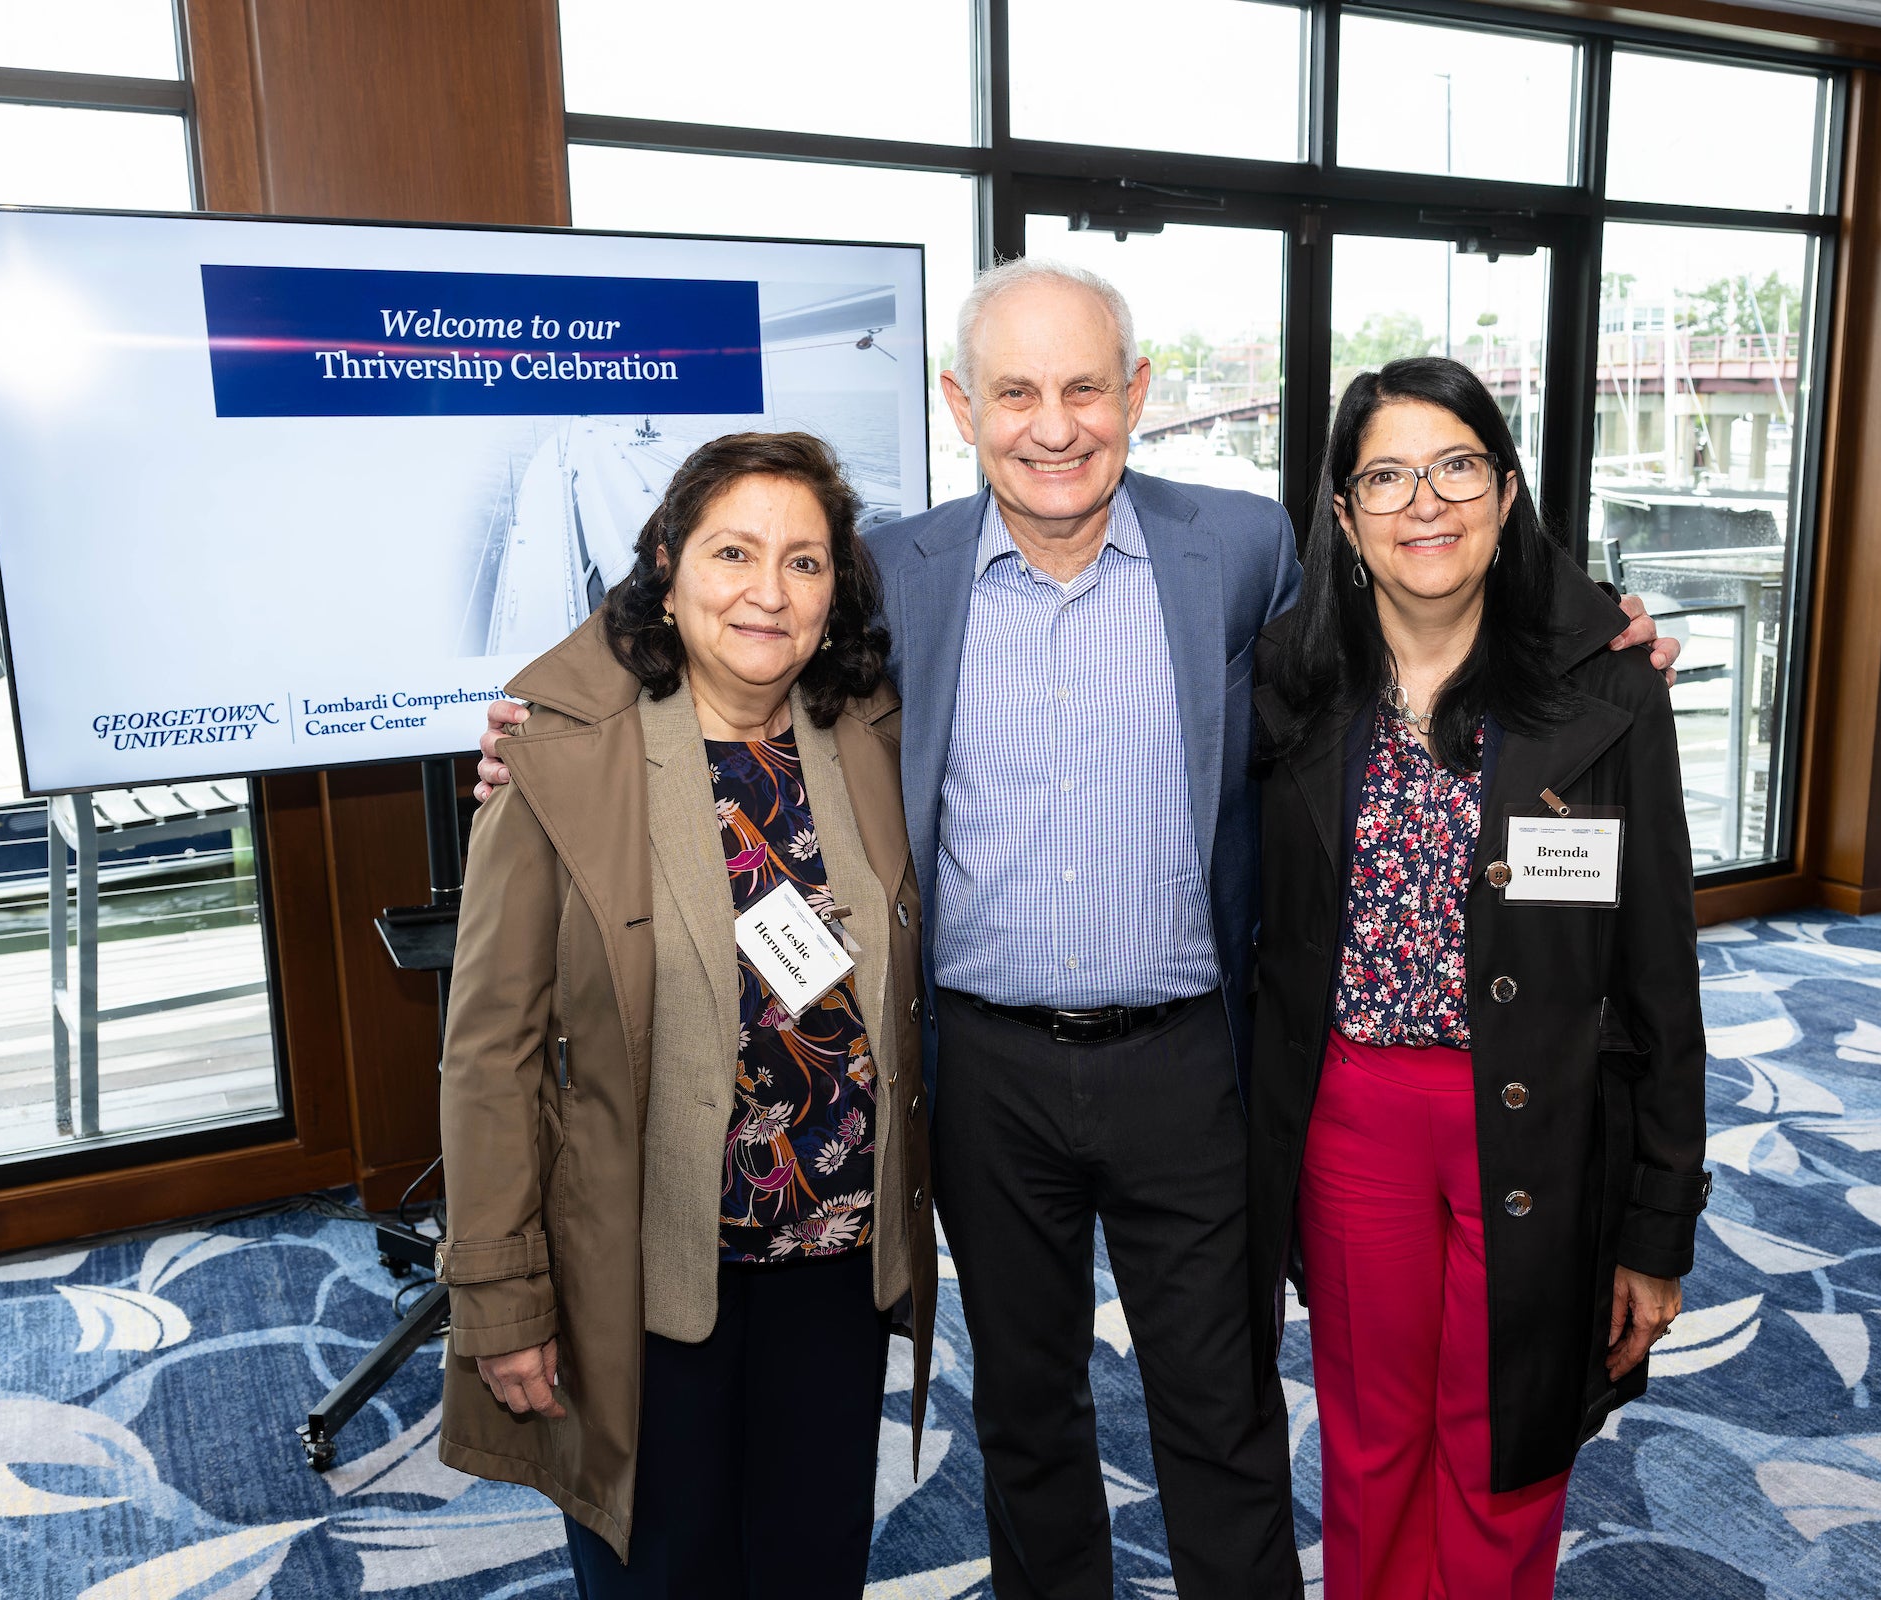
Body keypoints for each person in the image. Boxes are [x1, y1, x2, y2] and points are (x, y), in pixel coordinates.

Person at [476, 260, 1682, 1598]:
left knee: (1219, 1412)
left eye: (1084, 388)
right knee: (1026, 1417)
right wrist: (543, 724)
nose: (1054, 425)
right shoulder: (893, 572)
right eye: (1015, 392)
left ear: (1137, 395)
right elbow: (716, 607)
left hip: (1185, 1063)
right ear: (960, 403)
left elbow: (1411, 607)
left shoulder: (1238, 551)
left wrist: (1596, 635)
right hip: (983, 1072)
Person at [434, 431, 938, 1600]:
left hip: (835, 1256)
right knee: (666, 1571)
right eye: (734, 552)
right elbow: (489, 1053)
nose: (769, 592)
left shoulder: (868, 730)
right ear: (667, 564)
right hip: (649, 1266)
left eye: (804, 562)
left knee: (814, 1566)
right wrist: (502, 1292)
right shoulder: (562, 759)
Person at [1245, 357, 1709, 1600]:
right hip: (1355, 1118)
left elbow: (1664, 974)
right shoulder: (1289, 690)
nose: (1424, 502)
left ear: (1506, 494)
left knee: (1507, 1446)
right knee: (1374, 1442)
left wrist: (1660, 1222)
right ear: (1341, 518)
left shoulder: (1608, 692)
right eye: (1385, 475)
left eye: (1455, 465)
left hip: (1548, 1118)